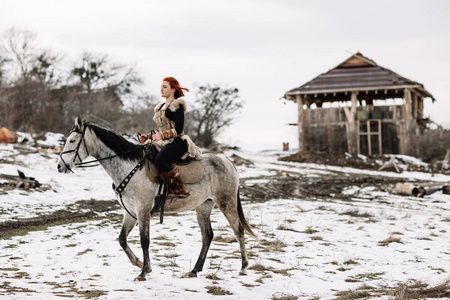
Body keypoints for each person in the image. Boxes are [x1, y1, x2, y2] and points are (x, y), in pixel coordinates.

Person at [140, 77, 201, 198]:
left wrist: (161, 135)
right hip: (163, 142)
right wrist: (148, 136)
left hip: (178, 142)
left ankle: (177, 191)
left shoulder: (177, 106)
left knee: (159, 160)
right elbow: (161, 129)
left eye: (165, 87)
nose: (161, 89)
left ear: (173, 89)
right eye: (161, 86)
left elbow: (178, 130)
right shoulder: (160, 107)